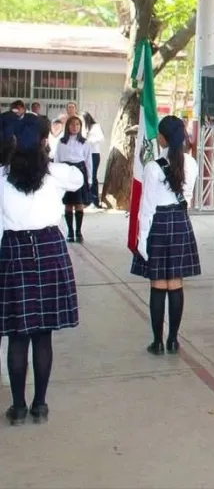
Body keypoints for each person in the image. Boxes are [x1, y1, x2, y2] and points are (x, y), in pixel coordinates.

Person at [0, 117, 83, 425]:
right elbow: (79, 177)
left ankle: (18, 407)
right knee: (42, 336)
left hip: (14, 253)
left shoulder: (1, 177)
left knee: (17, 336)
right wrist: (49, 157)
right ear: (44, 142)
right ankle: (41, 405)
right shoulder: (55, 174)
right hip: (49, 250)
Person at [130, 116, 201, 355]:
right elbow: (187, 197)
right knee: (176, 284)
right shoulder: (192, 163)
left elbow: (147, 207)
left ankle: (157, 341)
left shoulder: (152, 167)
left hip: (159, 223)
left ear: (162, 137)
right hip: (180, 222)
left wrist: (142, 239)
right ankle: (173, 340)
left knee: (158, 286)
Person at [54, 116, 93, 243]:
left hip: (79, 171)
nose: (75, 127)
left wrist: (90, 178)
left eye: (77, 125)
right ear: (67, 126)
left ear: (80, 127)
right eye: (72, 125)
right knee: (68, 204)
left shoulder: (85, 142)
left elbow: (88, 161)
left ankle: (78, 231)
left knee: (79, 203)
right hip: (65, 172)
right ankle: (70, 232)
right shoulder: (61, 142)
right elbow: (57, 160)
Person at [83, 112, 105, 209]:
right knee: (85, 176)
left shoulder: (95, 126)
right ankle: (86, 199)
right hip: (84, 154)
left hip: (94, 153)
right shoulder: (82, 127)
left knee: (93, 176)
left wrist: (89, 140)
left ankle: (94, 200)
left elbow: (101, 138)